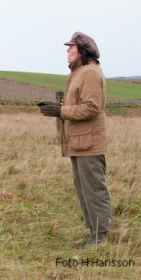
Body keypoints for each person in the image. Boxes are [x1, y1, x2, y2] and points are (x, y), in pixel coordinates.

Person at [38, 32, 112, 249]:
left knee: (94, 189)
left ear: (83, 51)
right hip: (80, 142)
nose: (67, 51)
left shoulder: (89, 73)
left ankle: (101, 237)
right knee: (83, 189)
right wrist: (59, 110)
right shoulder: (78, 72)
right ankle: (95, 232)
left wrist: (60, 111)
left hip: (89, 142)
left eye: (71, 48)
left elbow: (92, 108)